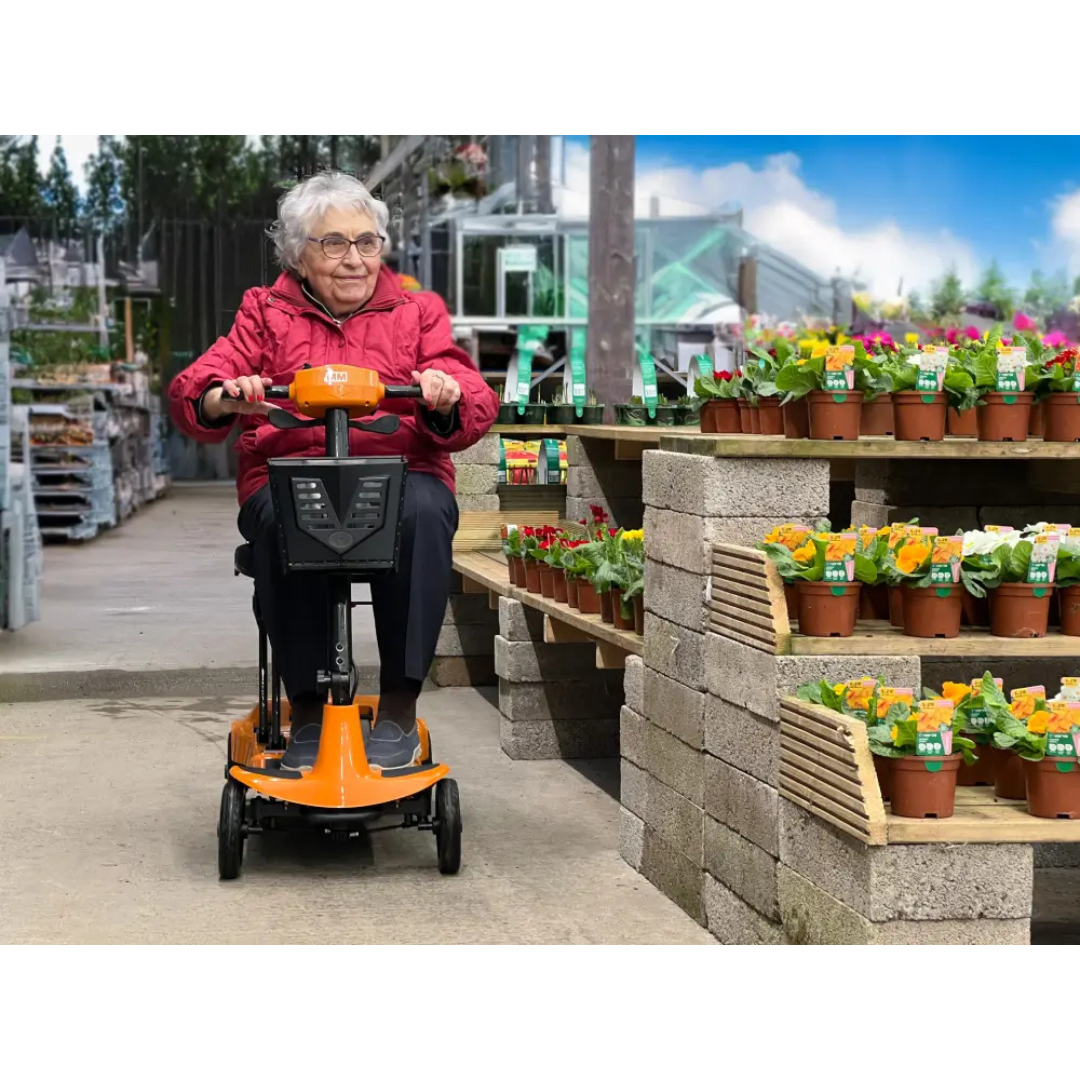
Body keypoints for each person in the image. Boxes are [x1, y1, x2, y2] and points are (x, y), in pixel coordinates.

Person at [169, 172, 498, 771]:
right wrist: (222, 395)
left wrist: (448, 393)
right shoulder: (263, 311)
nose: (355, 259)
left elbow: (474, 395)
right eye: (334, 244)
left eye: (367, 242)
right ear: (298, 254)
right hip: (292, 471)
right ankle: (309, 710)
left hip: (399, 473)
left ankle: (398, 706)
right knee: (282, 514)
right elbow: (200, 385)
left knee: (425, 510)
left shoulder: (418, 312)